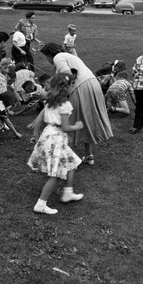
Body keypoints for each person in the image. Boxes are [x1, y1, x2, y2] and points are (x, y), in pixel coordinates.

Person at [40, 43, 113, 165]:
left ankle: (68, 159)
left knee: (71, 121)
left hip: (82, 87)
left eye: (46, 57)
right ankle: (88, 154)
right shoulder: (68, 56)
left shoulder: (58, 57)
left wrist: (56, 91)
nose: (47, 60)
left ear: (49, 54)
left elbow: (67, 74)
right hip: (93, 85)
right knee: (84, 120)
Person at [27, 72, 85, 215]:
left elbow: (39, 120)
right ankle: (41, 204)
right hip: (56, 138)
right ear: (68, 87)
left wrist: (35, 136)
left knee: (72, 162)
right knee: (55, 174)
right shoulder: (64, 105)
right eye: (72, 84)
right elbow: (65, 127)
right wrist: (77, 126)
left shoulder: (49, 100)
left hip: (48, 134)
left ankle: (68, 192)